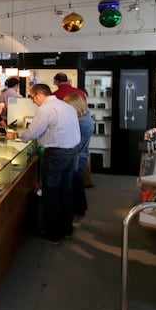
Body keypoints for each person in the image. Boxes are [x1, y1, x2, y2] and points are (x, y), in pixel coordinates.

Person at [8, 83, 80, 244]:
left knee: (51, 192)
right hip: (71, 152)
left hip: (56, 155)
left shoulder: (45, 109)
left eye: (32, 97)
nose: (33, 101)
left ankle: (53, 233)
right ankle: (67, 228)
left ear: (39, 95)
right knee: (66, 190)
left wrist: (16, 136)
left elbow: (32, 133)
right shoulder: (66, 106)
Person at [63, 93, 94, 227]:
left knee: (75, 186)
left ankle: (77, 214)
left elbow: (75, 144)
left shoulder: (82, 123)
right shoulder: (85, 118)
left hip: (77, 158)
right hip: (80, 157)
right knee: (77, 186)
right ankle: (79, 211)